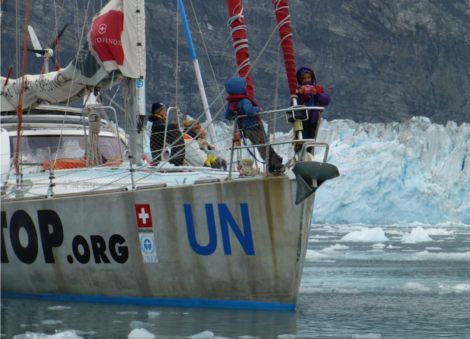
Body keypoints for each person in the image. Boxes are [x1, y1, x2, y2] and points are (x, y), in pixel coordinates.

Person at [224, 77, 283, 173]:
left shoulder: (231, 103)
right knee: (265, 145)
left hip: (245, 130)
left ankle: (271, 164)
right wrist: (258, 109)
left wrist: (237, 116)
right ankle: (276, 163)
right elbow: (249, 111)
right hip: (255, 127)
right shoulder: (244, 100)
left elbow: (227, 116)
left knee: (260, 147)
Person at [295, 65, 331, 149]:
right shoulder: (298, 90)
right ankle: (301, 156)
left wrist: (317, 94)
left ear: (312, 78)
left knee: (311, 142)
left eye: (308, 77)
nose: (307, 80)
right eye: (304, 78)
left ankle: (309, 155)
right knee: (301, 142)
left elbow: (326, 101)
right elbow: (293, 105)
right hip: (302, 121)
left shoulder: (318, 89)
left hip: (313, 121)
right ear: (300, 79)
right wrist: (300, 95)